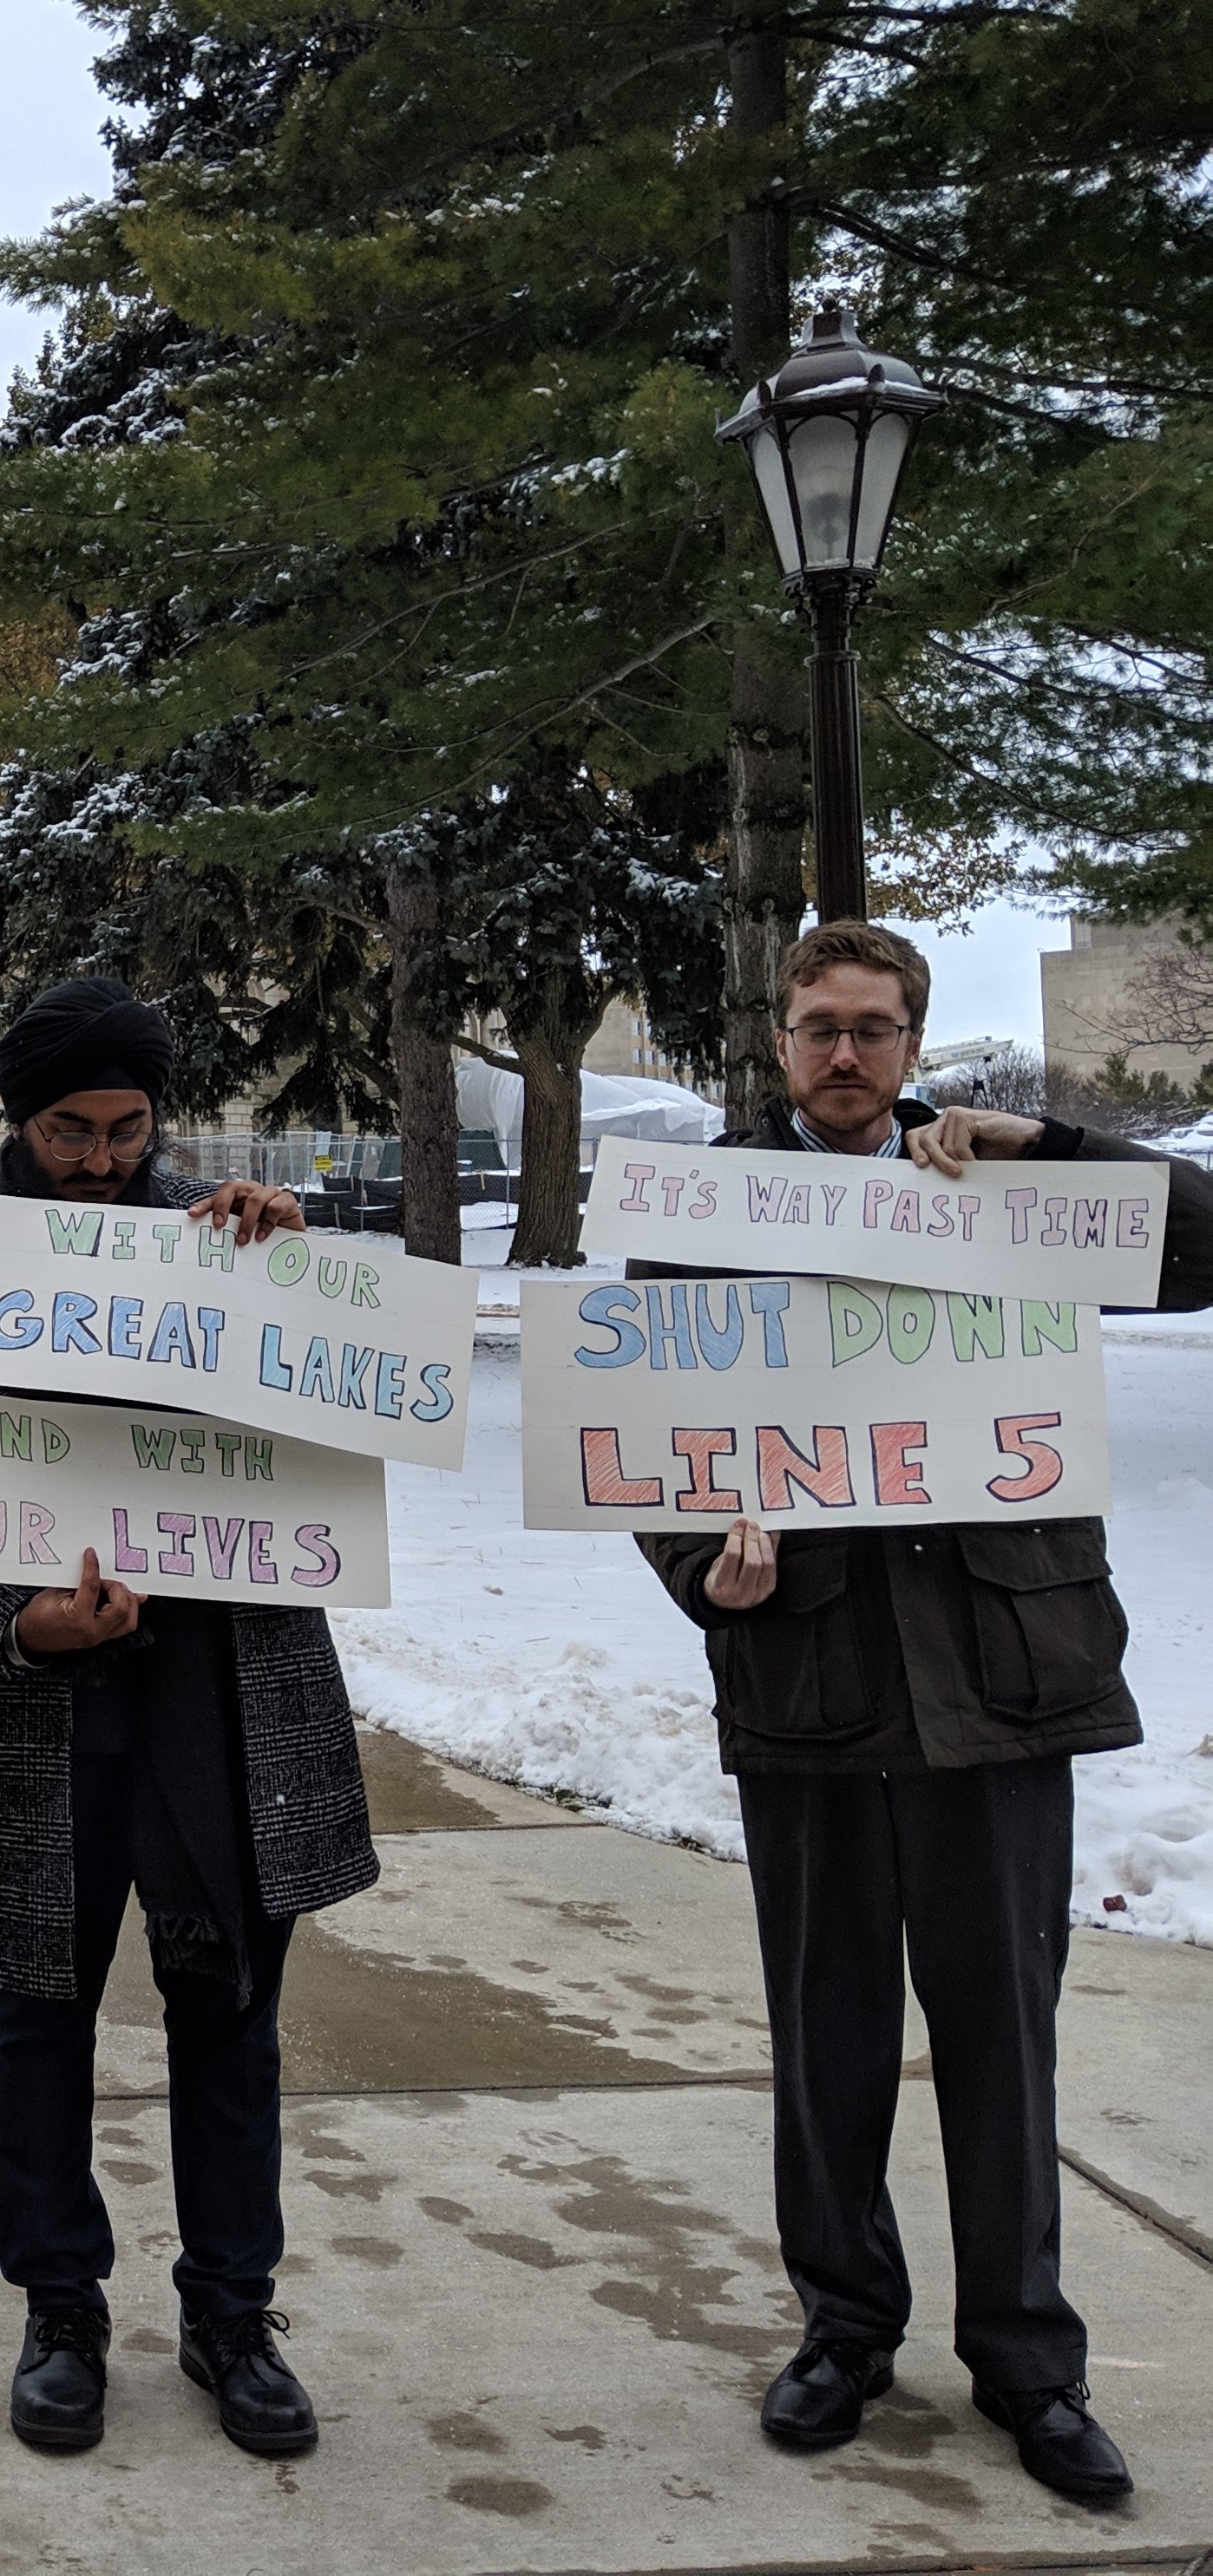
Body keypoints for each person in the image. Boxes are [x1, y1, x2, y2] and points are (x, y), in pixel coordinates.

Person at [634, 919, 1213, 2506]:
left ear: (913, 1042)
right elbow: (645, 1430)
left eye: (873, 1027)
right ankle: (845, 2326)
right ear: (777, 1043)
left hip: (1001, 1677)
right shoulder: (707, 1214)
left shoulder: (1013, 1191)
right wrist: (706, 1569)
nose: (843, 1051)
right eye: (818, 1025)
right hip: (810, 1674)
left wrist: (1058, 1143)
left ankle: (1030, 2361)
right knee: (828, 2039)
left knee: (1001, 2046)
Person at [0, 977, 377, 2461]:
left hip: (219, 1694)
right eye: (68, 1129)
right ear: (15, 1119)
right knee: (37, 2011)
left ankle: (231, 2310)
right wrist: (18, 1623)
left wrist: (298, 1271)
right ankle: (60, 2306)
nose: (98, 1156)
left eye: (126, 1127)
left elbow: (332, 1430)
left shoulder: (239, 1244)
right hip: (34, 1712)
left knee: (229, 2012)